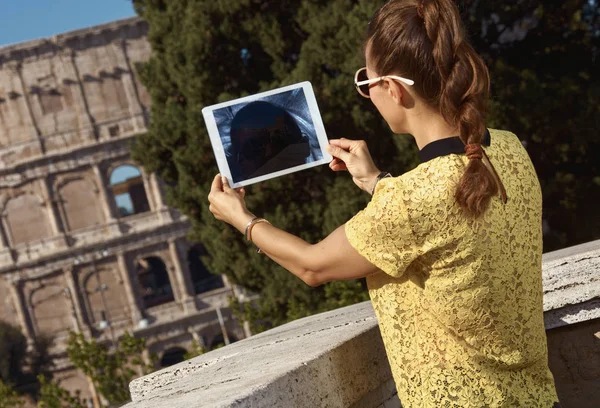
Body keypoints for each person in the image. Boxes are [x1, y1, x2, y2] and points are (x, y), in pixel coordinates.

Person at [207, 0, 561, 406]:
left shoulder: (412, 200)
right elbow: (451, 222)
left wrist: (241, 217)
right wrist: (377, 182)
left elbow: (312, 265)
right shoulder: (511, 148)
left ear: (392, 89)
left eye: (366, 82)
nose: (367, 93)